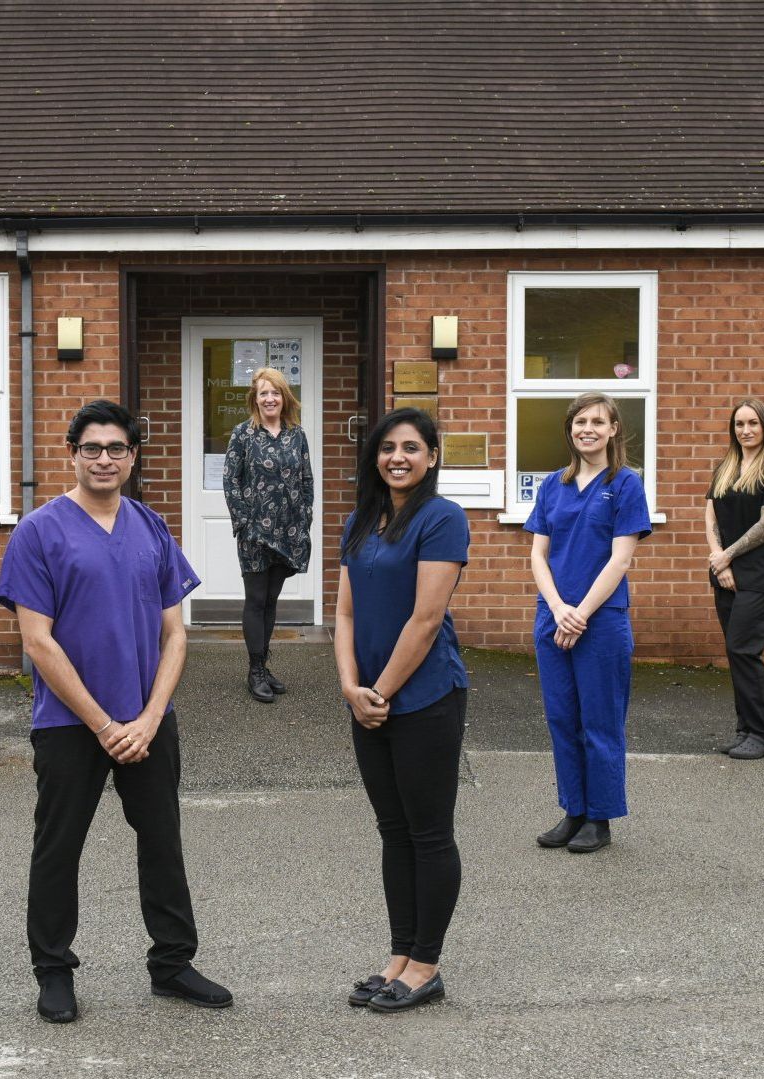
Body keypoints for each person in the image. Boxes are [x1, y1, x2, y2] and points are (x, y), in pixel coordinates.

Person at [0, 400, 232, 1024]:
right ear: (72, 454)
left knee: (162, 842)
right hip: (72, 724)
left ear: (132, 457)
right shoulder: (39, 531)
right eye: (92, 448)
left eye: (117, 449)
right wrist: (103, 724)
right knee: (58, 846)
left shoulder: (149, 526)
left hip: (147, 721)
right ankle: (53, 970)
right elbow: (37, 640)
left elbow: (175, 635)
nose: (105, 459)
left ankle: (173, 963)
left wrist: (151, 717)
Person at [336, 407, 469, 1014]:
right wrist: (349, 686)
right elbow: (344, 613)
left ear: (432, 457)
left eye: (412, 447)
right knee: (394, 832)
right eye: (388, 447)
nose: (398, 457)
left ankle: (426, 965)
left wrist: (379, 692)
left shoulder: (442, 519)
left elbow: (426, 619)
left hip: (423, 698)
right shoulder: (362, 520)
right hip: (367, 699)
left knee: (428, 833)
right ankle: (398, 957)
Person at [527, 393, 651, 854]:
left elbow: (621, 559)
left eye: (598, 421)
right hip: (553, 617)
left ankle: (599, 817)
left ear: (613, 429)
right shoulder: (553, 485)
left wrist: (579, 613)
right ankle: (573, 809)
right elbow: (538, 554)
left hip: (601, 621)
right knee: (563, 719)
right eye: (580, 421)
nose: (588, 429)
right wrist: (559, 608)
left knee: (600, 721)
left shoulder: (625, 485)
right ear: (570, 429)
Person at [705, 399, 764, 760]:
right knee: (735, 652)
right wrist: (719, 562)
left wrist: (727, 556)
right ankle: (745, 729)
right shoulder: (726, 468)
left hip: (759, 576)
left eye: (753, 423)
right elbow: (710, 514)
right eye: (740, 423)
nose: (746, 430)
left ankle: (763, 732)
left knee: (744, 649)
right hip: (725, 574)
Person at [223, 367, 314, 702]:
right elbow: (230, 481)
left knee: (272, 600)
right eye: (264, 393)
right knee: (256, 599)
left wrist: (305, 519)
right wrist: (244, 522)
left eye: (275, 392)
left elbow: (306, 480)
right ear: (255, 398)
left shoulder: (296, 435)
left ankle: (264, 663)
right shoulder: (243, 435)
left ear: (283, 397)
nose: (270, 398)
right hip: (255, 533)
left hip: (289, 530)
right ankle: (255, 670)